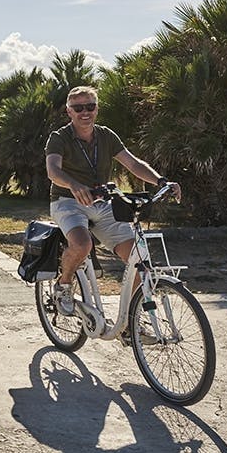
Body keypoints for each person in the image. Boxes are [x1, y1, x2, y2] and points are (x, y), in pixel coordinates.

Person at [43, 86, 180, 318]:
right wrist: (74, 185)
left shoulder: (106, 135)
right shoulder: (59, 138)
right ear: (69, 112)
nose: (84, 112)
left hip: (103, 204)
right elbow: (53, 170)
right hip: (68, 201)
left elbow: (134, 164)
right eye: (78, 108)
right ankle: (64, 285)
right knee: (82, 244)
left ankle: (131, 322)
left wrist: (161, 181)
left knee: (139, 258)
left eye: (90, 106)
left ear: (97, 109)